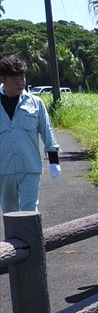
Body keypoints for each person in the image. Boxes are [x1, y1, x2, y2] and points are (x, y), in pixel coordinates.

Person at [0, 55, 60, 214]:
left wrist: (54, 161)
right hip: (3, 168)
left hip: (30, 166)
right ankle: (13, 240)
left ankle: (33, 240)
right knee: (9, 211)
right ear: (3, 79)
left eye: (23, 78)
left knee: (30, 210)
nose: (21, 83)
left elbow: (47, 131)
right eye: (15, 79)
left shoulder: (35, 102)